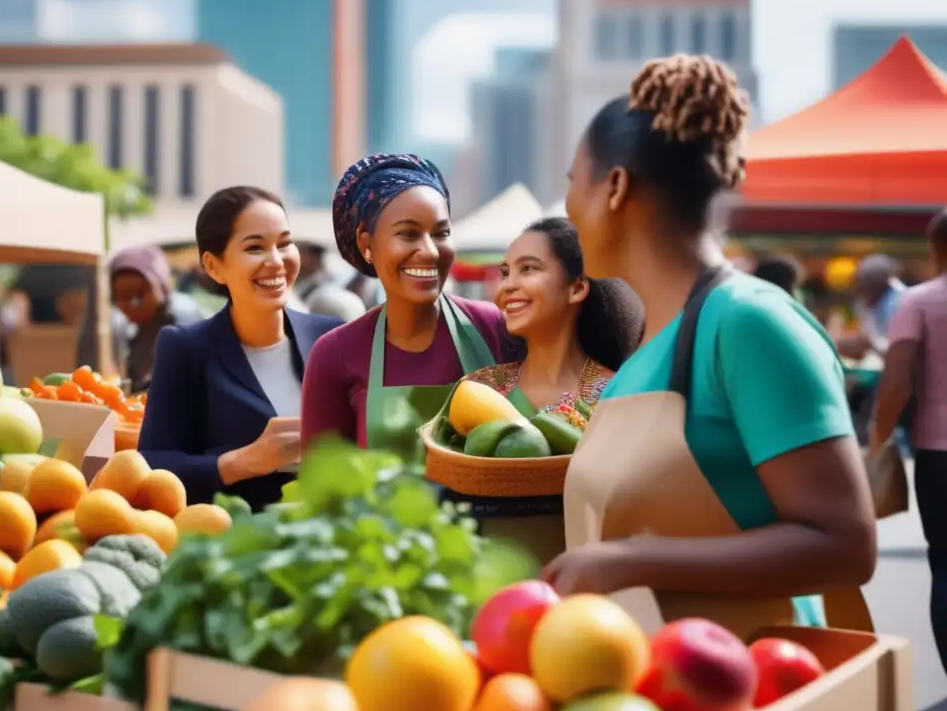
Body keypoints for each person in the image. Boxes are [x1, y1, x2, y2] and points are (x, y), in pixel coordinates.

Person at [545, 53, 876, 640]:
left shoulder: (748, 324)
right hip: (651, 698)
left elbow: (844, 544)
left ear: (615, 187)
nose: (567, 207)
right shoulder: (647, 352)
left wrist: (627, 562)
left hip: (758, 690)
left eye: (573, 182)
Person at [138, 186, 342, 509]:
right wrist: (244, 461)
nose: (276, 261)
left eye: (285, 243)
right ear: (214, 266)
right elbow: (151, 466)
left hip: (330, 539)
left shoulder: (330, 337)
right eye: (255, 248)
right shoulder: (186, 348)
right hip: (235, 545)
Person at [301, 153, 514, 448]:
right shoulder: (334, 355)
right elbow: (323, 484)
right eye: (408, 234)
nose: (430, 251)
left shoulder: (494, 327)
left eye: (441, 233)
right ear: (366, 244)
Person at [465, 217, 644, 414]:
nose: (506, 286)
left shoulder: (618, 396)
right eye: (506, 273)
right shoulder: (479, 389)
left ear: (576, 289)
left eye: (528, 268)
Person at [872, 207, 947, 672]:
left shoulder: (918, 302)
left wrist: (877, 438)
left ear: (934, 248)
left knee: (945, 565)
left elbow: (896, 382)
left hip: (940, 455)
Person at [108, 245, 208, 392]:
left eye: (141, 293)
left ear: (161, 286)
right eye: (123, 296)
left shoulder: (183, 319)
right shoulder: (131, 328)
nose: (133, 304)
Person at [838, 254, 905, 361]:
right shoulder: (868, 305)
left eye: (868, 287)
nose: (864, 293)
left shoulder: (898, 302)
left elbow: (899, 349)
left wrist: (870, 344)